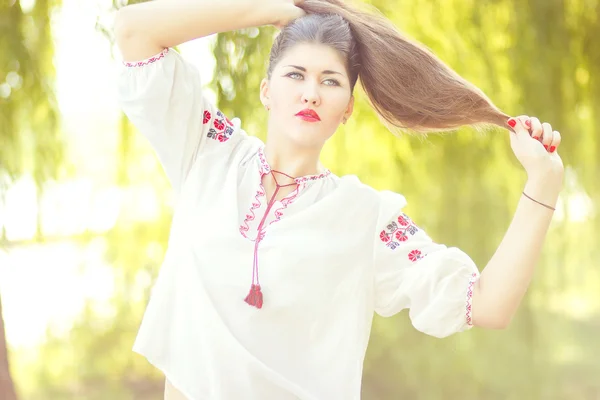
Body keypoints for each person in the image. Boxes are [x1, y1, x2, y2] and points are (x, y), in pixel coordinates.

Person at [114, 0, 564, 398]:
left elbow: (485, 304)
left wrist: (543, 183)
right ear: (266, 90)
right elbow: (134, 30)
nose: (311, 91)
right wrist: (272, 10)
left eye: (330, 81)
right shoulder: (209, 151)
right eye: (295, 74)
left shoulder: (366, 218)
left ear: (348, 107)